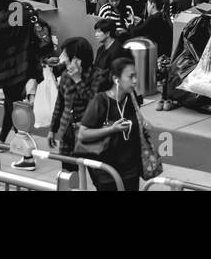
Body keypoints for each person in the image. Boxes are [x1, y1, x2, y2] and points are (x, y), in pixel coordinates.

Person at [0, 0, 43, 170]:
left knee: (15, 109)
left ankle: (27, 155)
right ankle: (2, 138)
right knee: (11, 104)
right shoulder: (21, 9)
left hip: (9, 68)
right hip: (25, 64)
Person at [75, 57, 143, 191]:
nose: (135, 81)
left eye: (136, 76)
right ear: (116, 79)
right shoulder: (100, 101)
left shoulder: (132, 98)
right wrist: (112, 129)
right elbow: (83, 134)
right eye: (130, 77)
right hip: (106, 171)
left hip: (131, 169)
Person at [49, 37, 95, 160]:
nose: (65, 61)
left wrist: (78, 80)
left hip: (87, 132)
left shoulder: (95, 75)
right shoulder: (65, 75)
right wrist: (52, 129)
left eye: (68, 57)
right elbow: (59, 103)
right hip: (67, 131)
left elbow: (93, 102)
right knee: (68, 170)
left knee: (93, 169)